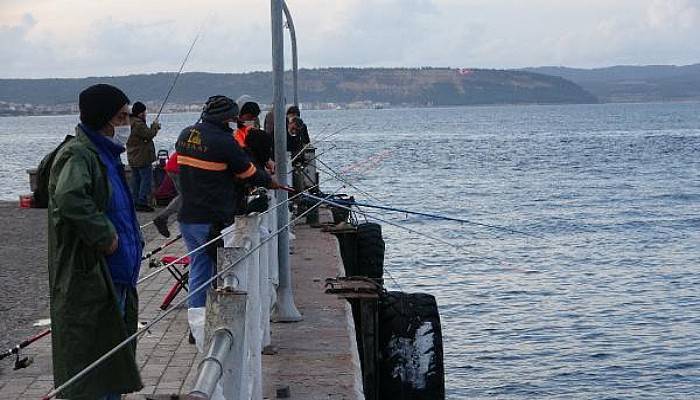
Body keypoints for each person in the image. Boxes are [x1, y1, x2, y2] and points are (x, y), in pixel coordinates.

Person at [48, 84, 143, 399]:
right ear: (106, 118)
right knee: (95, 362)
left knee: (115, 359)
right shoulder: (79, 154)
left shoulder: (105, 154)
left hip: (118, 274)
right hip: (96, 275)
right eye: (121, 116)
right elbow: (69, 196)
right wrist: (106, 237)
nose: (126, 123)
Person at [176, 95, 279, 317]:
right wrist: (271, 181)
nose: (237, 123)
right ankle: (205, 324)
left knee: (199, 270)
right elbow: (248, 172)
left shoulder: (185, 134)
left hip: (187, 217)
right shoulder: (223, 141)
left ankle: (197, 321)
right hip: (210, 219)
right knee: (224, 273)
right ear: (225, 119)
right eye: (234, 118)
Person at [127, 101, 161, 212]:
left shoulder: (130, 122)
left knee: (136, 180)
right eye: (144, 112)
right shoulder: (138, 124)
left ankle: (135, 201)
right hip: (142, 157)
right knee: (146, 179)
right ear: (140, 112)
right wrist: (155, 126)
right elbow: (149, 134)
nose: (145, 114)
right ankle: (142, 201)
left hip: (132, 156)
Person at [152, 151, 180, 237]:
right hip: (178, 168)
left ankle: (184, 223)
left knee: (184, 197)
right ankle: (162, 218)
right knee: (186, 197)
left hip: (174, 166)